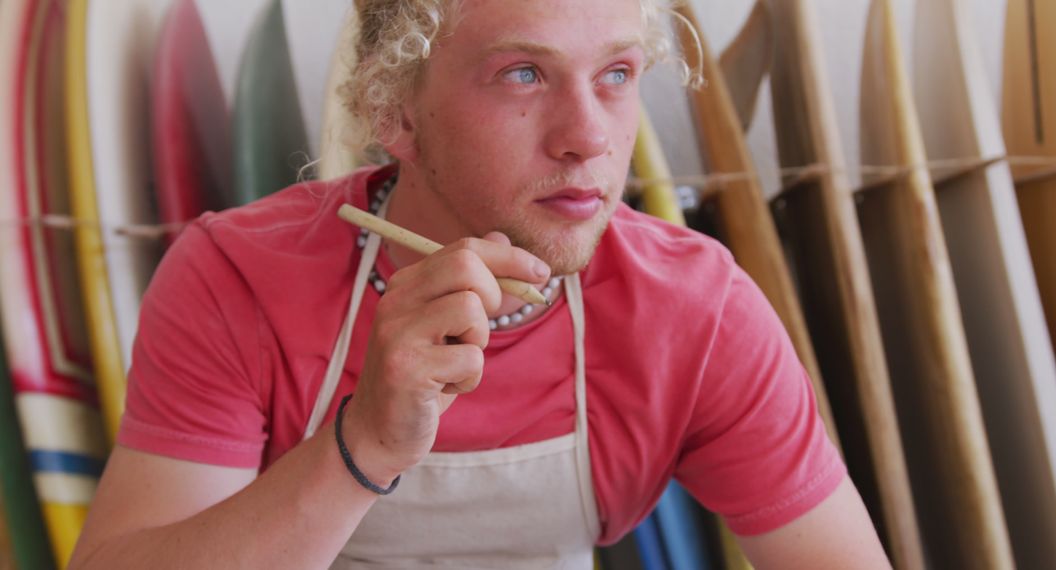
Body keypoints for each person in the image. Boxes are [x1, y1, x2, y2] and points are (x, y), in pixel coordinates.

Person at [71, 0, 891, 568]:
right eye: (523, 75)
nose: (588, 138)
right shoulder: (238, 277)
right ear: (393, 109)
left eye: (616, 74)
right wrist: (365, 447)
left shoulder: (695, 310)